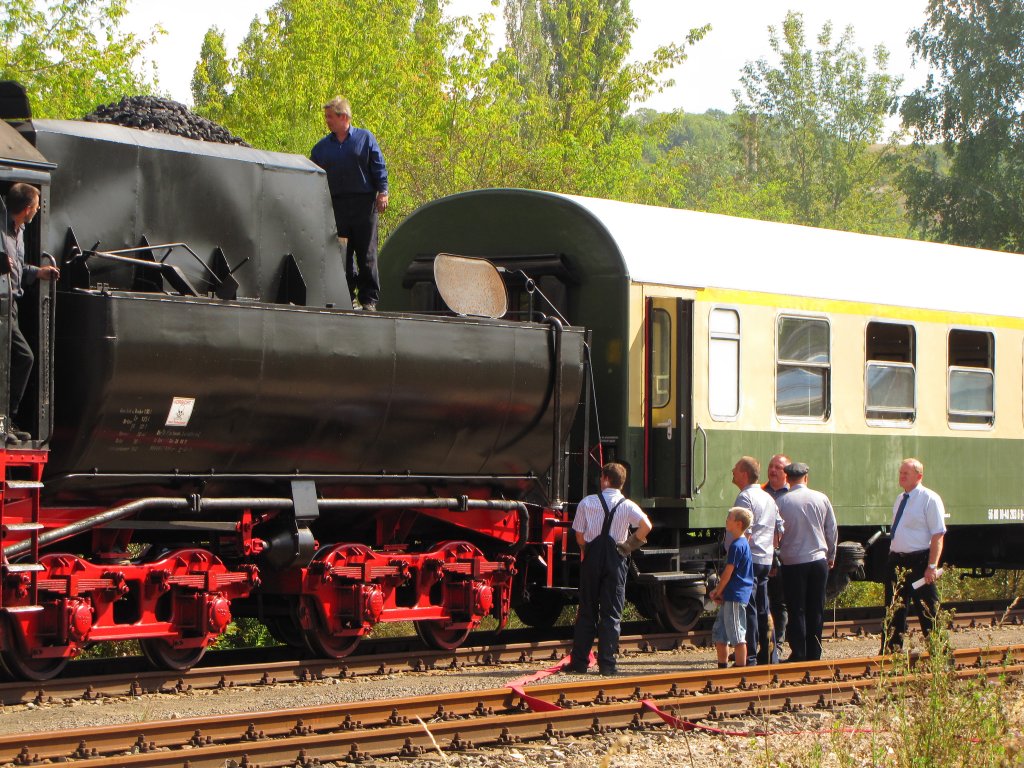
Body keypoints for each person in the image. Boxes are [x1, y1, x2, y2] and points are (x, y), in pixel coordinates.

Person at [565, 462, 652, 676]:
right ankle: (607, 664)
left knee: (587, 610)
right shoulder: (627, 505)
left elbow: (578, 534)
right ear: (621, 482)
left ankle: (579, 663)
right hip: (616, 559)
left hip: (592, 558)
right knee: (611, 613)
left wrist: (586, 549)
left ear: (604, 479)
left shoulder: (588, 502)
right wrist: (629, 545)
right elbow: (647, 527)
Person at [310, 96, 389, 311]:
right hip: (337, 205)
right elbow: (313, 175)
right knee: (342, 254)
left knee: (367, 253)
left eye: (330, 117)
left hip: (364, 205)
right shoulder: (322, 148)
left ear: (343, 117)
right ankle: (347, 297)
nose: (327, 120)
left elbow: (379, 167)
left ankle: (369, 300)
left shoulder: (365, 138)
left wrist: (383, 192)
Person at [1, 183, 59, 443]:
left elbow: (19, 268)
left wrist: (38, 272)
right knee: (24, 357)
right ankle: (5, 420)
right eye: (36, 207)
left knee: (14, 360)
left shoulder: (19, 231)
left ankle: (5, 422)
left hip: (10, 304)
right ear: (27, 209)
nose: (37, 211)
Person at [881, 458, 947, 653]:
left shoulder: (929, 498)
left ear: (919, 476)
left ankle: (939, 653)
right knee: (894, 608)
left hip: (919, 560)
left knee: (928, 609)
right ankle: (891, 650)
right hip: (897, 561)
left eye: (906, 474)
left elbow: (938, 534)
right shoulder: (901, 498)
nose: (901, 476)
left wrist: (932, 566)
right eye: (900, 473)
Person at [776, 462, 837, 662]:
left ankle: (799, 653)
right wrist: (831, 555)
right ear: (806, 478)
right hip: (818, 560)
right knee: (816, 608)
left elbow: (777, 534)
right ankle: (815, 652)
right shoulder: (821, 498)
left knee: (796, 609)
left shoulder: (782, 502)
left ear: (787, 479)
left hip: (793, 562)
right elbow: (831, 530)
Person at [731, 456, 783, 665]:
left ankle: (750, 655)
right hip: (765, 558)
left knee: (749, 607)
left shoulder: (745, 498)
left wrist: (735, 556)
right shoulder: (768, 498)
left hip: (749, 559)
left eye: (735, 468)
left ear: (744, 474)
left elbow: (745, 532)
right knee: (763, 607)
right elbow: (780, 526)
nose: (732, 471)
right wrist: (771, 549)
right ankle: (770, 654)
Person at [709, 506, 754, 668]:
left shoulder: (737, 545)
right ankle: (723, 666)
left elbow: (728, 572)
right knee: (721, 632)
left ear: (738, 524)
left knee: (737, 633)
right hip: (731, 594)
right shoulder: (740, 543)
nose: (726, 520)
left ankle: (741, 669)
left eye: (730, 518)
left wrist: (717, 591)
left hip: (736, 595)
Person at [762, 453, 790, 648]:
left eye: (777, 468)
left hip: (782, 556)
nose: (772, 470)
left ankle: (777, 643)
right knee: (762, 601)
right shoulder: (762, 492)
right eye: (771, 466)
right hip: (762, 554)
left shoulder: (791, 495)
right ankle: (761, 643)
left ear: (786, 473)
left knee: (779, 602)